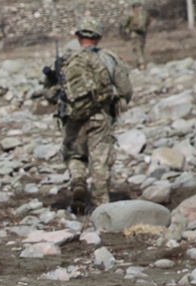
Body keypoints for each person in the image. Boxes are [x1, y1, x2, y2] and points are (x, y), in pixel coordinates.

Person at [42, 18, 133, 214]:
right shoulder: (109, 58)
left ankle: (78, 181)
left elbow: (50, 94)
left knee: (75, 155)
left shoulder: (66, 60)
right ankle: (101, 207)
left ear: (78, 36)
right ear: (99, 37)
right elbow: (126, 90)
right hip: (101, 116)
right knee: (100, 160)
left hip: (72, 117)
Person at [122, 0, 151, 69]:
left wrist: (128, 31)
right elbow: (148, 22)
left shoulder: (131, 14)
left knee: (137, 49)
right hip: (143, 33)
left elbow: (124, 24)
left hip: (134, 33)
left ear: (133, 7)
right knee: (141, 48)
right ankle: (140, 63)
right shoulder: (145, 13)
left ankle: (141, 64)